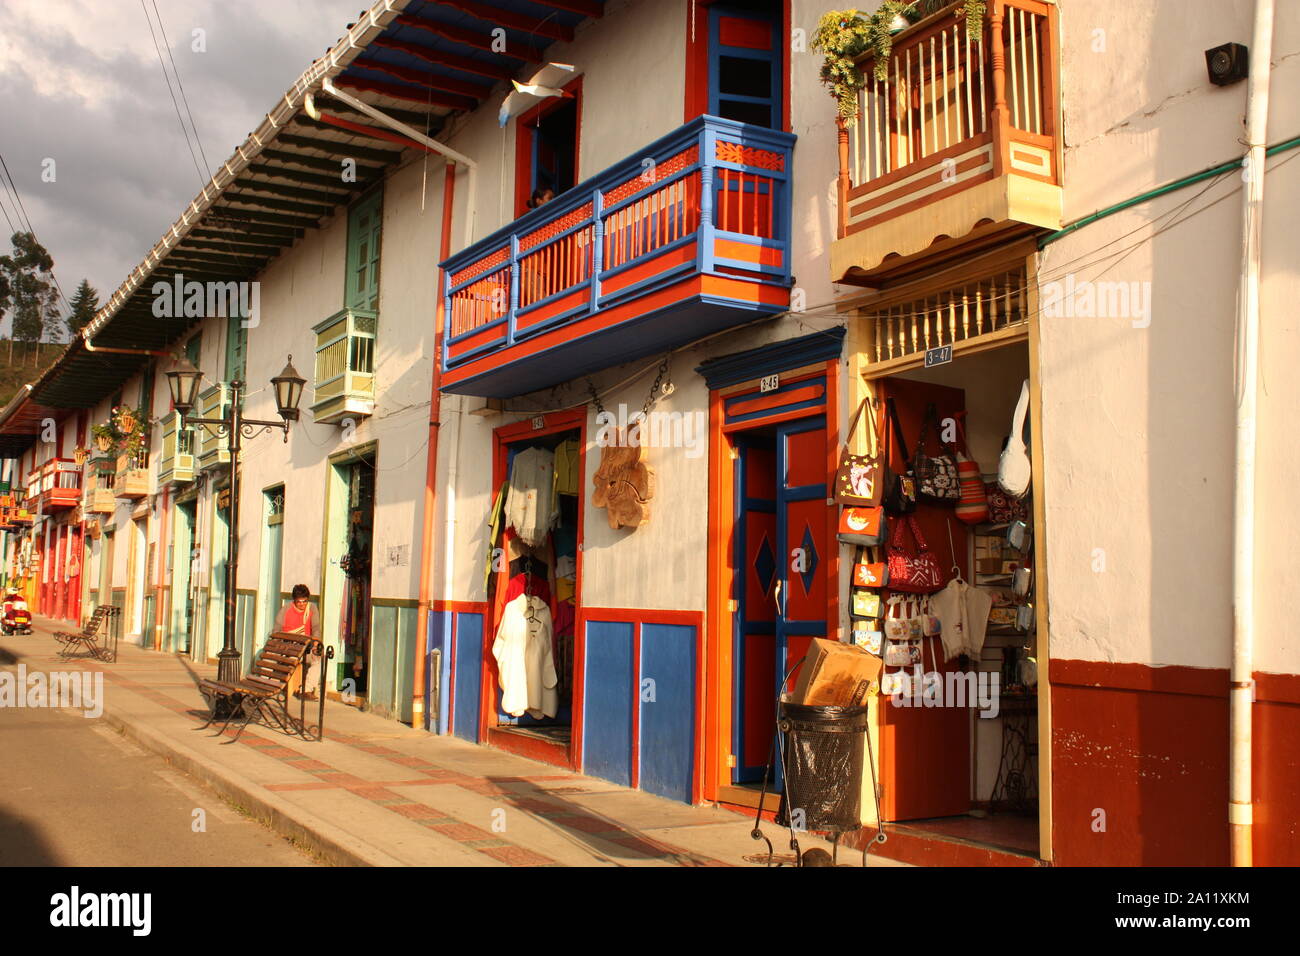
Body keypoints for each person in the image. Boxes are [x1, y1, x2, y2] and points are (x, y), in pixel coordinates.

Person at [275, 584, 321, 700]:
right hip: (289, 649)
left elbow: (316, 628)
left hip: (305, 648)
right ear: (294, 601)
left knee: (318, 660)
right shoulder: (286, 609)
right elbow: (277, 630)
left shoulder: (312, 608)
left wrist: (315, 645)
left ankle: (306, 690)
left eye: (304, 601)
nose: (302, 604)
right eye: (299, 602)